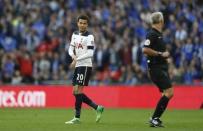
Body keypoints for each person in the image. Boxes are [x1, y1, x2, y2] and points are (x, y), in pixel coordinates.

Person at [65, 14, 104, 124]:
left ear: (87, 24)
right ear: (77, 23)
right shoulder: (75, 34)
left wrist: (77, 59)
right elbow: (70, 48)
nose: (82, 25)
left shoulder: (90, 36)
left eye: (84, 23)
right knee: (75, 92)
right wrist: (73, 56)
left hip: (85, 65)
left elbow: (90, 53)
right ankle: (97, 108)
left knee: (78, 91)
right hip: (78, 64)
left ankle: (77, 118)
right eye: (80, 23)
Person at [142, 12, 174, 127]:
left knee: (165, 93)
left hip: (160, 67)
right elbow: (145, 50)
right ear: (161, 21)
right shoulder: (152, 34)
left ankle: (154, 118)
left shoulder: (158, 34)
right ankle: (155, 118)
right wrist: (161, 54)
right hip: (156, 69)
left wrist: (165, 59)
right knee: (169, 92)